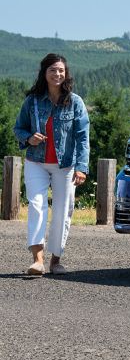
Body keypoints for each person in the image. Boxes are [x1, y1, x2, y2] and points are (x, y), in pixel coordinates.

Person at [13, 53, 90, 276]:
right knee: (37, 206)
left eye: (61, 70)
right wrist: (29, 138)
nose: (57, 74)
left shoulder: (75, 102)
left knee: (62, 211)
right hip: (36, 161)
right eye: (53, 70)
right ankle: (37, 260)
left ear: (66, 74)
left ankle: (56, 261)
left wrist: (81, 166)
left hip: (65, 165)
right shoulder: (33, 102)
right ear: (44, 73)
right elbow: (18, 128)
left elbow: (83, 136)